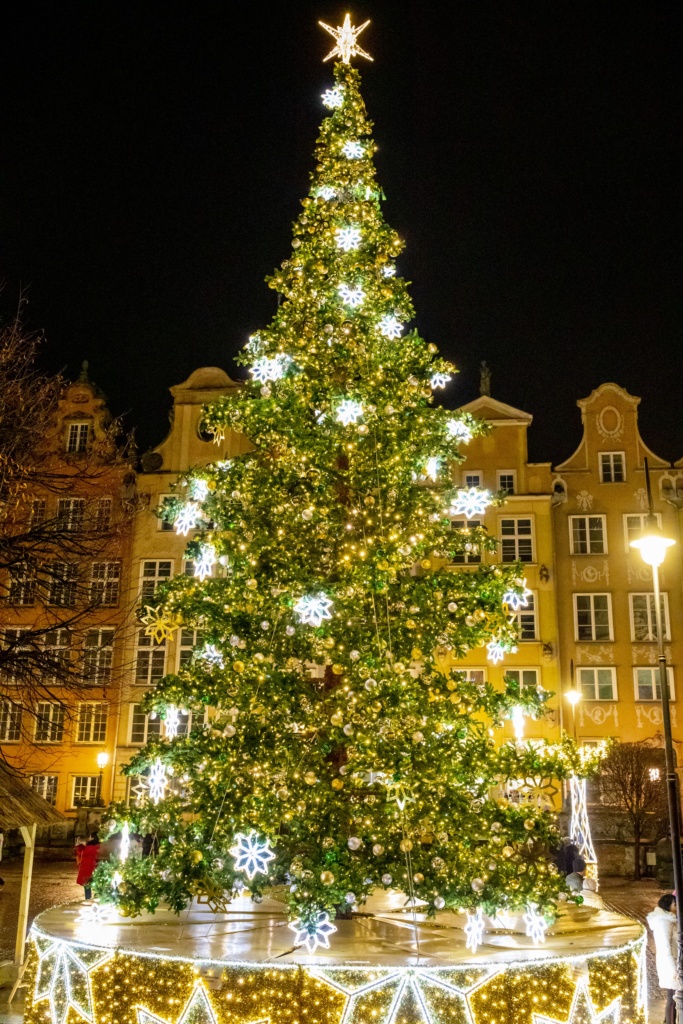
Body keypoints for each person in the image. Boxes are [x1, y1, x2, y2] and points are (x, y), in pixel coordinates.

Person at [647, 893, 679, 1024]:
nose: (676, 907)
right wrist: (673, 970)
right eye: (675, 904)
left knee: (674, 997)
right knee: (672, 998)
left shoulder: (669, 920)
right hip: (670, 965)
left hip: (674, 963)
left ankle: (668, 1021)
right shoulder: (663, 922)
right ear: (668, 906)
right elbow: (665, 947)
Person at [76, 831, 101, 903]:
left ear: (92, 838)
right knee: (97, 885)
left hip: (86, 868)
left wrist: (78, 845)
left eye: (90, 837)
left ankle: (88, 899)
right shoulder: (99, 847)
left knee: (87, 886)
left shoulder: (87, 848)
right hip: (96, 868)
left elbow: (80, 853)